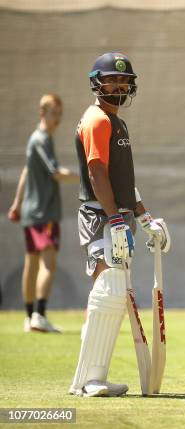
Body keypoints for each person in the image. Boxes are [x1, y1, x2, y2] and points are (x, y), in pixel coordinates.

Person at [69, 52, 170, 397]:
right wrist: (113, 218)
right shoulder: (97, 119)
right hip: (100, 214)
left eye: (124, 81)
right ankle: (87, 381)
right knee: (110, 289)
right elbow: (97, 172)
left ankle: (91, 377)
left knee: (110, 298)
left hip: (116, 214)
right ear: (97, 83)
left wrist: (142, 216)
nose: (119, 85)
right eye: (112, 79)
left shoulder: (117, 122)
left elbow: (123, 179)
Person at [7, 94, 78, 333]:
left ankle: (30, 317)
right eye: (53, 113)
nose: (57, 118)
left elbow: (27, 171)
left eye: (60, 113)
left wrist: (17, 203)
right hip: (44, 212)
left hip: (30, 212)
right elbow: (56, 172)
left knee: (33, 262)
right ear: (42, 112)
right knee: (48, 263)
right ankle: (39, 314)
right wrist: (87, 178)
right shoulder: (42, 138)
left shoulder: (34, 140)